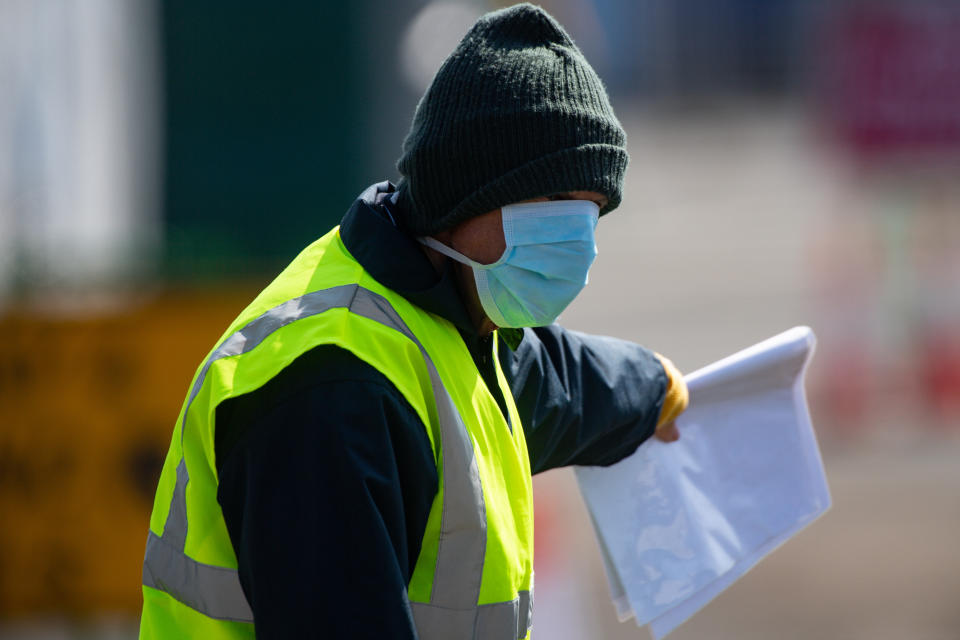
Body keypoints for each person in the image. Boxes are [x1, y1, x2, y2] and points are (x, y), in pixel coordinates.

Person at [139, 4, 688, 639]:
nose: (577, 239)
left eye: (592, 209)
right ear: (463, 198)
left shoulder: (452, 311)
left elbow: (553, 380)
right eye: (550, 201)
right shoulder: (333, 392)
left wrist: (655, 388)